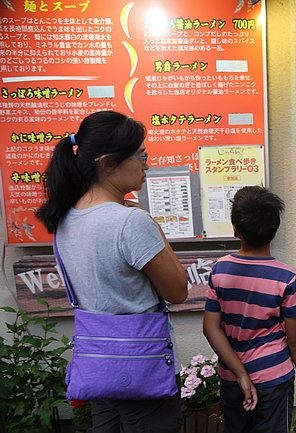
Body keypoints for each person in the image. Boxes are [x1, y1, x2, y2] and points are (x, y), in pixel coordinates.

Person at [36, 110, 188, 433]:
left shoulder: (64, 220)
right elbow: (178, 291)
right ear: (106, 163)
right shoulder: (130, 222)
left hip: (99, 364)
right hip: (142, 370)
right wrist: (153, 224)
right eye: (140, 156)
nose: (146, 165)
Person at [203, 185, 296, 433]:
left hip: (232, 377)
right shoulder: (287, 277)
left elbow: (210, 328)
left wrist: (240, 373)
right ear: (274, 230)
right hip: (274, 377)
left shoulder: (219, 270)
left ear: (235, 230)